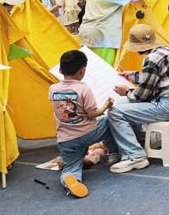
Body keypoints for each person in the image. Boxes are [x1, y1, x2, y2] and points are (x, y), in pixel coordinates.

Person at [109, 24, 169, 173]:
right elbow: (155, 77)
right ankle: (138, 143)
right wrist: (132, 75)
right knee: (123, 105)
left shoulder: (151, 59)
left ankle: (135, 155)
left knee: (115, 112)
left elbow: (142, 95)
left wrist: (127, 91)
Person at [49, 50, 118, 198]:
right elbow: (93, 114)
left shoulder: (53, 89)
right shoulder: (83, 89)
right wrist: (106, 106)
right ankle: (114, 153)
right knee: (108, 121)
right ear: (83, 70)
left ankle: (70, 178)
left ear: (60, 70)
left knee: (70, 167)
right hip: (88, 132)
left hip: (66, 139)